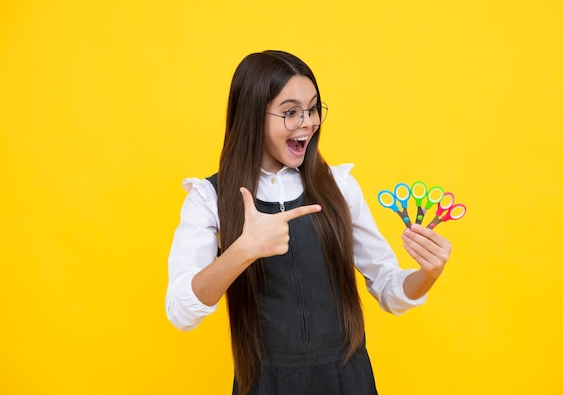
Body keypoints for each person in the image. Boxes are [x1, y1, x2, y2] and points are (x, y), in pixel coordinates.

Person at [165, 50, 452, 395]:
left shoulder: (339, 185)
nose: (308, 122)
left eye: (313, 108)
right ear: (252, 117)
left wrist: (427, 275)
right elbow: (181, 311)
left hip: (348, 380)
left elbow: (389, 288)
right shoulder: (209, 197)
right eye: (290, 112)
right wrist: (242, 250)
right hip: (265, 384)